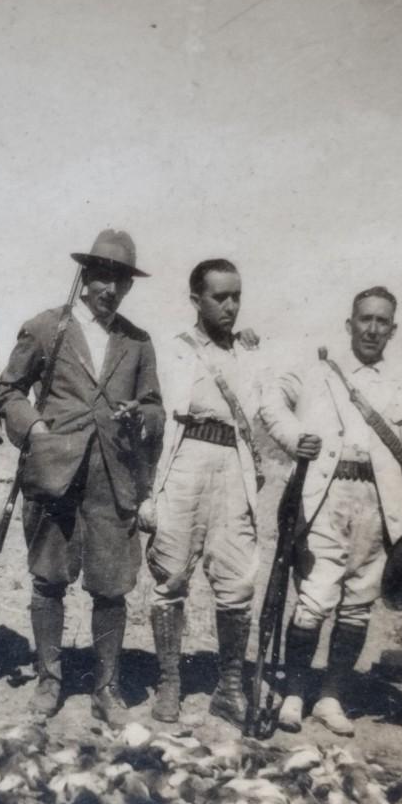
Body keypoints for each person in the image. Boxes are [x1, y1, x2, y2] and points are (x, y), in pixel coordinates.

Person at [0, 230, 164, 727]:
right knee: (49, 578)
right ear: (85, 277)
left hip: (114, 478)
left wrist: (141, 415)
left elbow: (156, 408)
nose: (110, 288)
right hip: (55, 474)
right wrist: (36, 430)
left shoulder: (138, 342)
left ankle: (106, 688)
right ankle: (49, 681)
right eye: (102, 277)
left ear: (128, 286)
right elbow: (8, 392)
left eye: (121, 280)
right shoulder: (47, 327)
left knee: (111, 586)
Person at [261, 286, 402, 735]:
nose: (372, 329)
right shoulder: (318, 372)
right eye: (365, 319)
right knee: (315, 597)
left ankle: (331, 697)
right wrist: (294, 437)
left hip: (379, 504)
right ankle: (294, 693)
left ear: (393, 329)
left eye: (382, 321)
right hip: (327, 494)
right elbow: (270, 401)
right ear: (349, 323)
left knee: (358, 603)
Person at [143, 259, 264, 727]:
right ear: (196, 300)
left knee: (237, 578)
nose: (231, 306)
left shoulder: (250, 353)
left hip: (233, 466)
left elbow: (268, 405)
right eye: (220, 297)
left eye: (237, 296)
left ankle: (229, 687)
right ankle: (169, 680)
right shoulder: (174, 350)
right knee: (171, 572)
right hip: (185, 462)